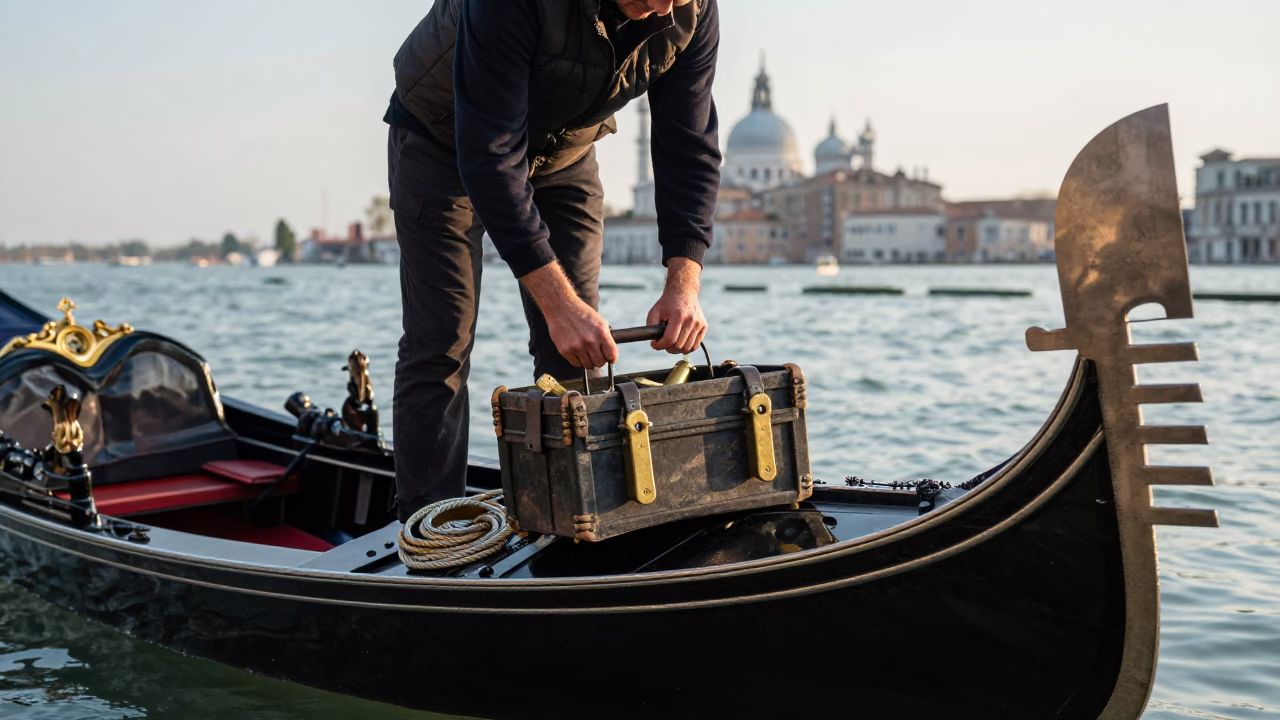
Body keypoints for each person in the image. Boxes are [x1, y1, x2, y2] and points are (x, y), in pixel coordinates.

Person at [383, 0, 722, 520]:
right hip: (444, 138)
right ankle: (432, 525)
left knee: (577, 352)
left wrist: (684, 282)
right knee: (442, 343)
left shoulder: (692, 9)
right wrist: (557, 304)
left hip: (565, 153)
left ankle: (571, 517)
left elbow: (688, 142)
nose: (664, 7)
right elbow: (491, 155)